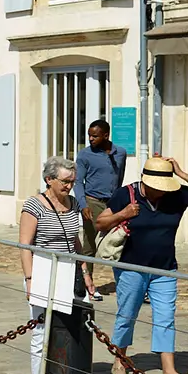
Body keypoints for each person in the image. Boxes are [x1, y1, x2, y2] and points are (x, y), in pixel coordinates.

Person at [94, 155, 188, 374]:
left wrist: (181, 173)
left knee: (165, 318)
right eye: (156, 188)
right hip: (132, 268)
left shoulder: (175, 194)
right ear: (145, 181)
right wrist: (123, 214)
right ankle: (120, 358)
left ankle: (169, 373)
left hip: (165, 268)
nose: (161, 192)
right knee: (127, 314)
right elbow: (101, 223)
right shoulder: (126, 194)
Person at [18, 156, 92, 374]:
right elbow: (25, 245)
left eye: (73, 181)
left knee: (68, 328)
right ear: (49, 180)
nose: (69, 186)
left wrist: (85, 272)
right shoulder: (34, 205)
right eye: (65, 181)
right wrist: (30, 280)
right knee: (41, 329)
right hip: (42, 270)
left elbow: (75, 241)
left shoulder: (73, 203)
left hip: (68, 272)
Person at [75, 118, 128, 301]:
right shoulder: (84, 155)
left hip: (113, 203)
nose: (90, 139)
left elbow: (119, 178)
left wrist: (118, 201)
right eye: (89, 135)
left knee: (120, 240)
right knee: (90, 244)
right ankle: (86, 285)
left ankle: (125, 284)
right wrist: (83, 204)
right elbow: (77, 182)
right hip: (92, 202)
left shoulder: (120, 153)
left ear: (106, 135)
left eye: (95, 136)